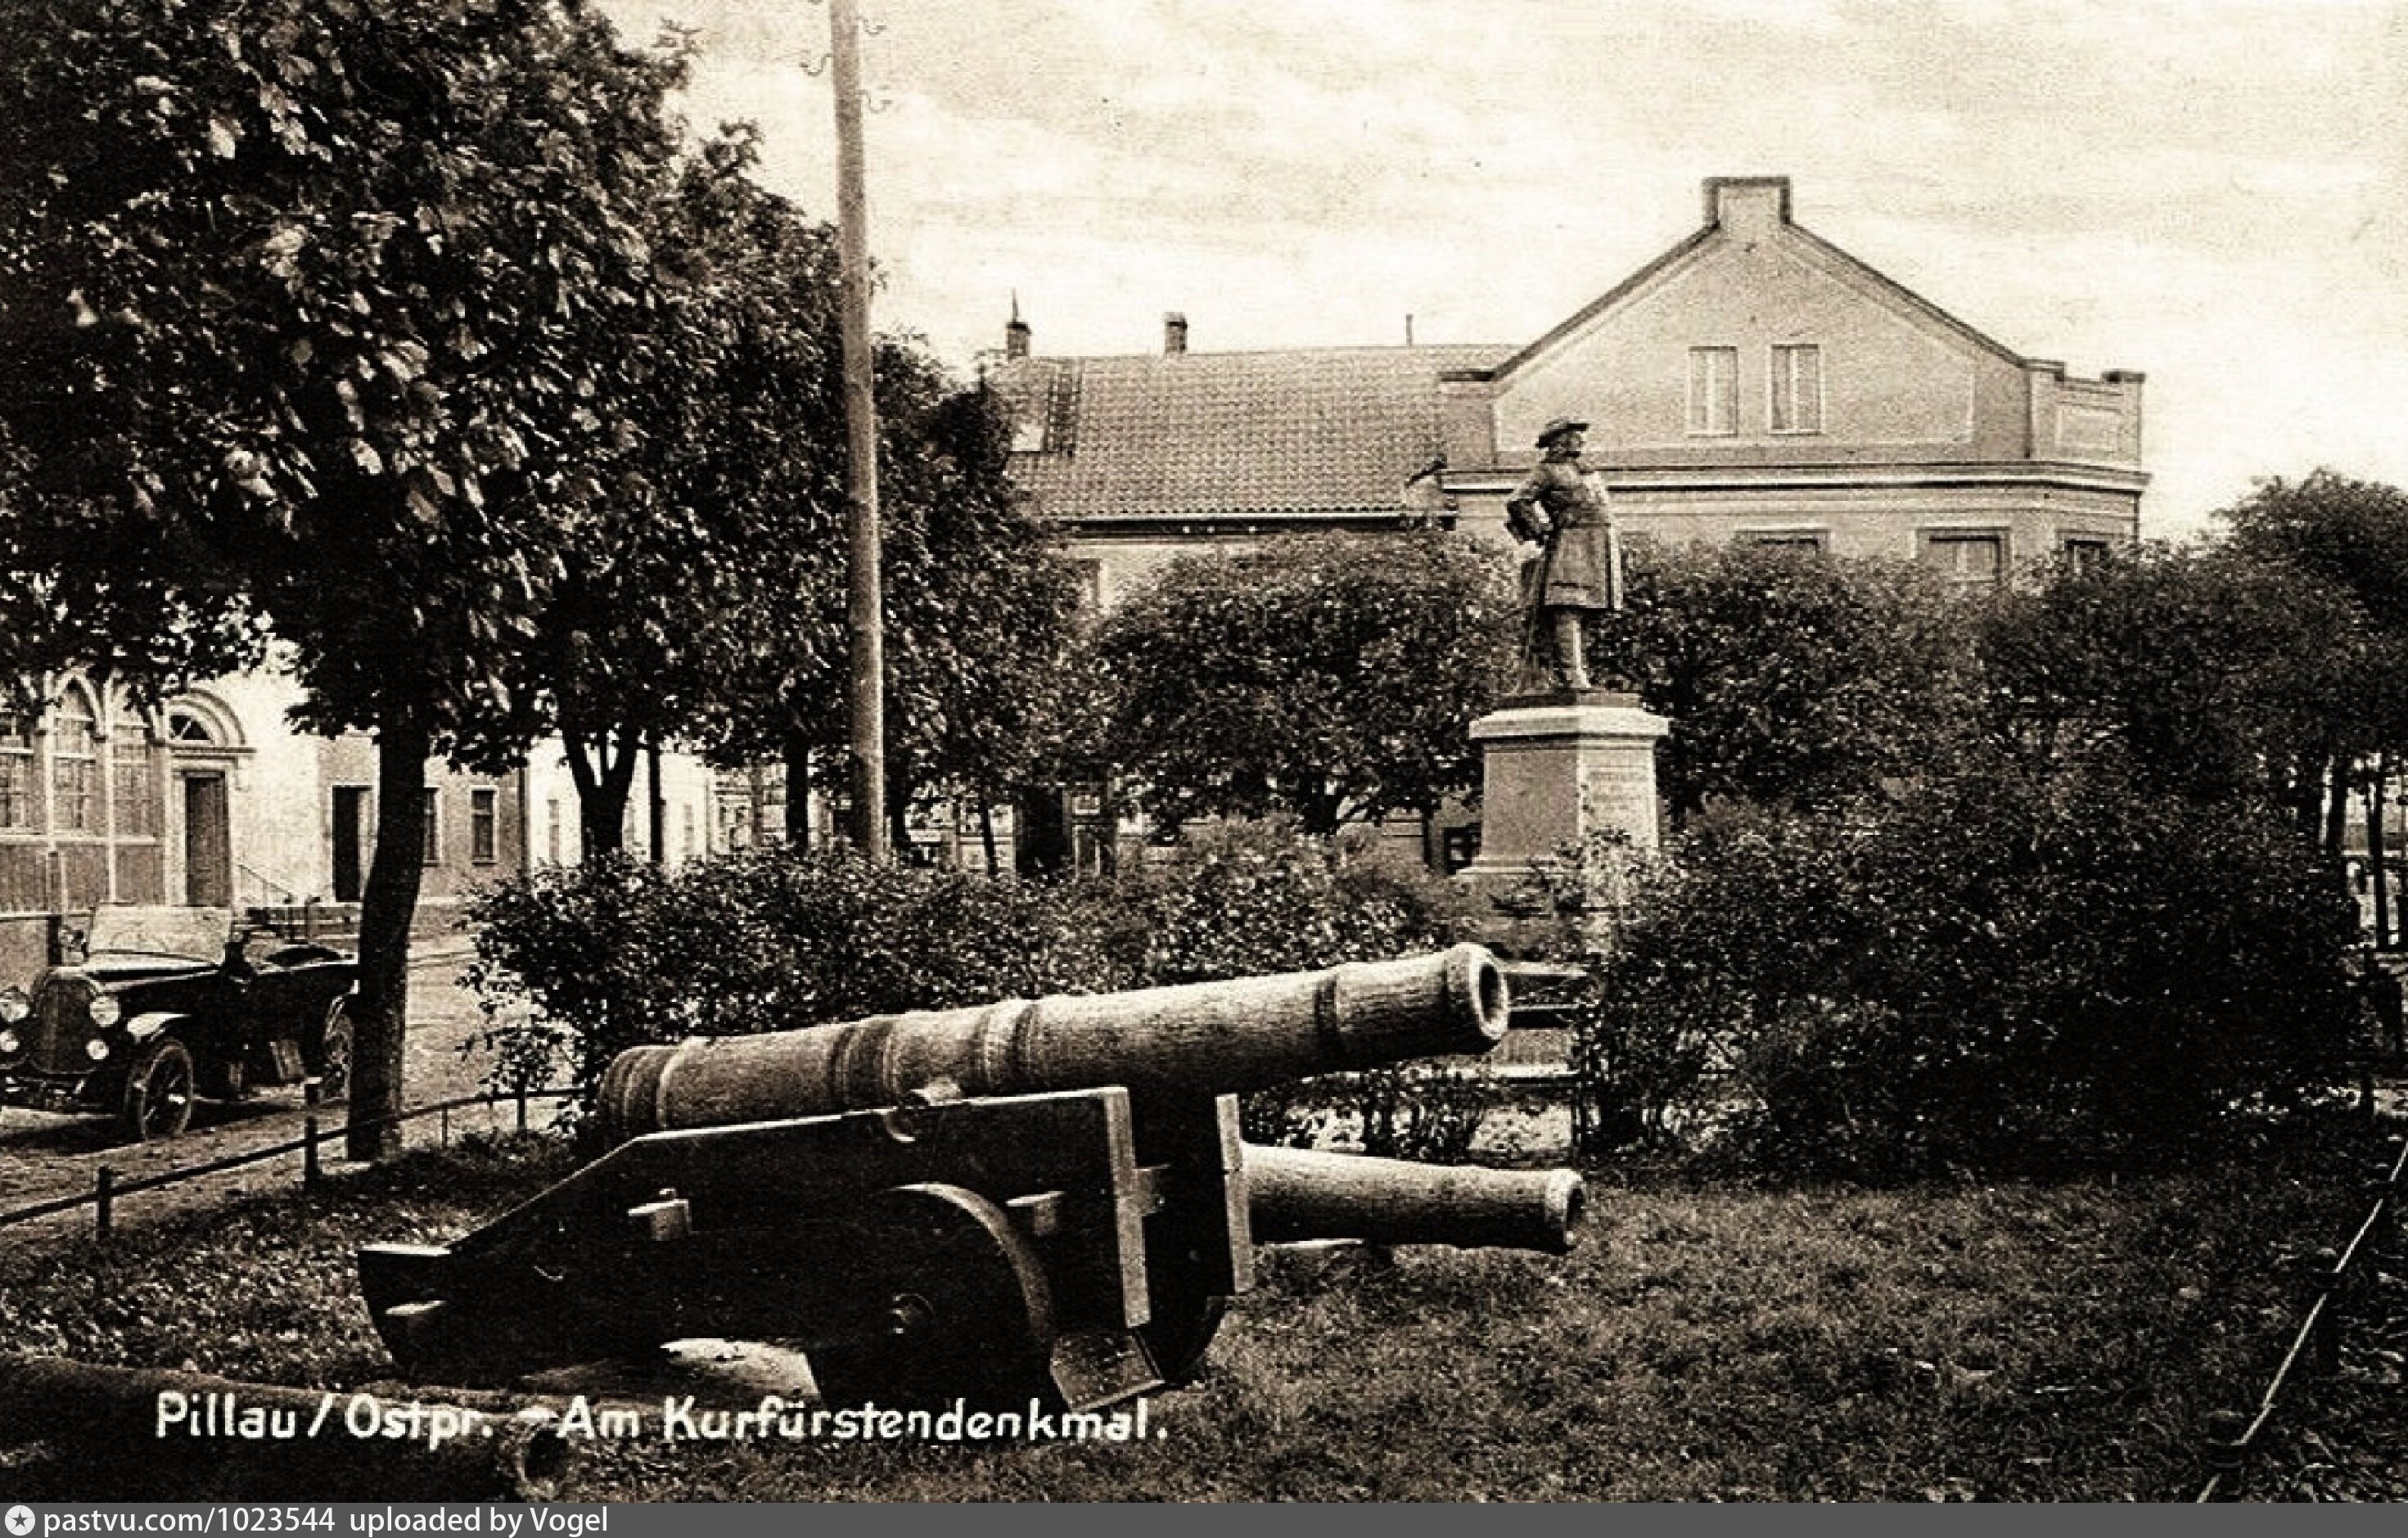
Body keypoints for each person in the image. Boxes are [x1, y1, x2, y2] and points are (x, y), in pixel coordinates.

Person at [1504, 417, 1622, 691]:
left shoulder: (1588, 472)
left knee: (1590, 609)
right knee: (1568, 606)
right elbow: (1518, 501)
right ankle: (1572, 676)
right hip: (1569, 543)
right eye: (1574, 434)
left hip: (1597, 545)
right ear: (1560, 441)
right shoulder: (1547, 471)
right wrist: (1539, 529)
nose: (1581, 439)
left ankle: (1577, 672)